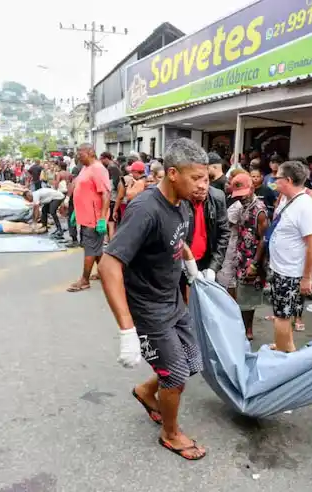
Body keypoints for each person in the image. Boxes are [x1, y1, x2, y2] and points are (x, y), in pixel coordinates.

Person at [98, 138, 209, 461]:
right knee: (174, 376)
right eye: (196, 178)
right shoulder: (145, 210)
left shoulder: (183, 203)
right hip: (148, 310)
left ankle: (147, 391)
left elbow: (176, 241)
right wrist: (127, 330)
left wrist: (191, 266)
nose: (202, 185)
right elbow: (109, 264)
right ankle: (171, 434)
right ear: (172, 173)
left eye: (206, 178)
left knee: (191, 363)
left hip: (173, 300)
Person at [266, 161, 312, 352]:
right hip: (279, 267)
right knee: (282, 314)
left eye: (277, 178)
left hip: (290, 272)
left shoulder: (306, 206)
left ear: (288, 180)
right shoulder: (286, 198)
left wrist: (307, 277)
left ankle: (283, 355)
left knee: (282, 317)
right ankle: (285, 346)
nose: (274, 180)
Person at [67, 143, 110, 292]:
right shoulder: (85, 168)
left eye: (81, 153)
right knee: (96, 249)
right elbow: (82, 189)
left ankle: (84, 280)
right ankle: (105, 274)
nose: (78, 156)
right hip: (85, 216)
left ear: (91, 152)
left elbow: (105, 194)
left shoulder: (98, 169)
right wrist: (76, 211)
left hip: (94, 218)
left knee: (90, 249)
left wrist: (102, 218)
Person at [231, 173, 268, 340]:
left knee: (249, 295)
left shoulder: (259, 211)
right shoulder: (242, 206)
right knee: (242, 293)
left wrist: (254, 263)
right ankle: (242, 327)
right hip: (241, 254)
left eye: (243, 194)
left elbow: (263, 240)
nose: (241, 198)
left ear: (252, 189)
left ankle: (248, 330)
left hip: (252, 257)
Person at [182, 168, 230, 281]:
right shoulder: (179, 199)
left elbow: (223, 232)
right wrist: (186, 264)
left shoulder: (217, 197)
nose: (203, 187)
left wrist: (213, 267)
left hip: (206, 259)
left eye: (206, 181)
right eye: (197, 182)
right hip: (182, 260)